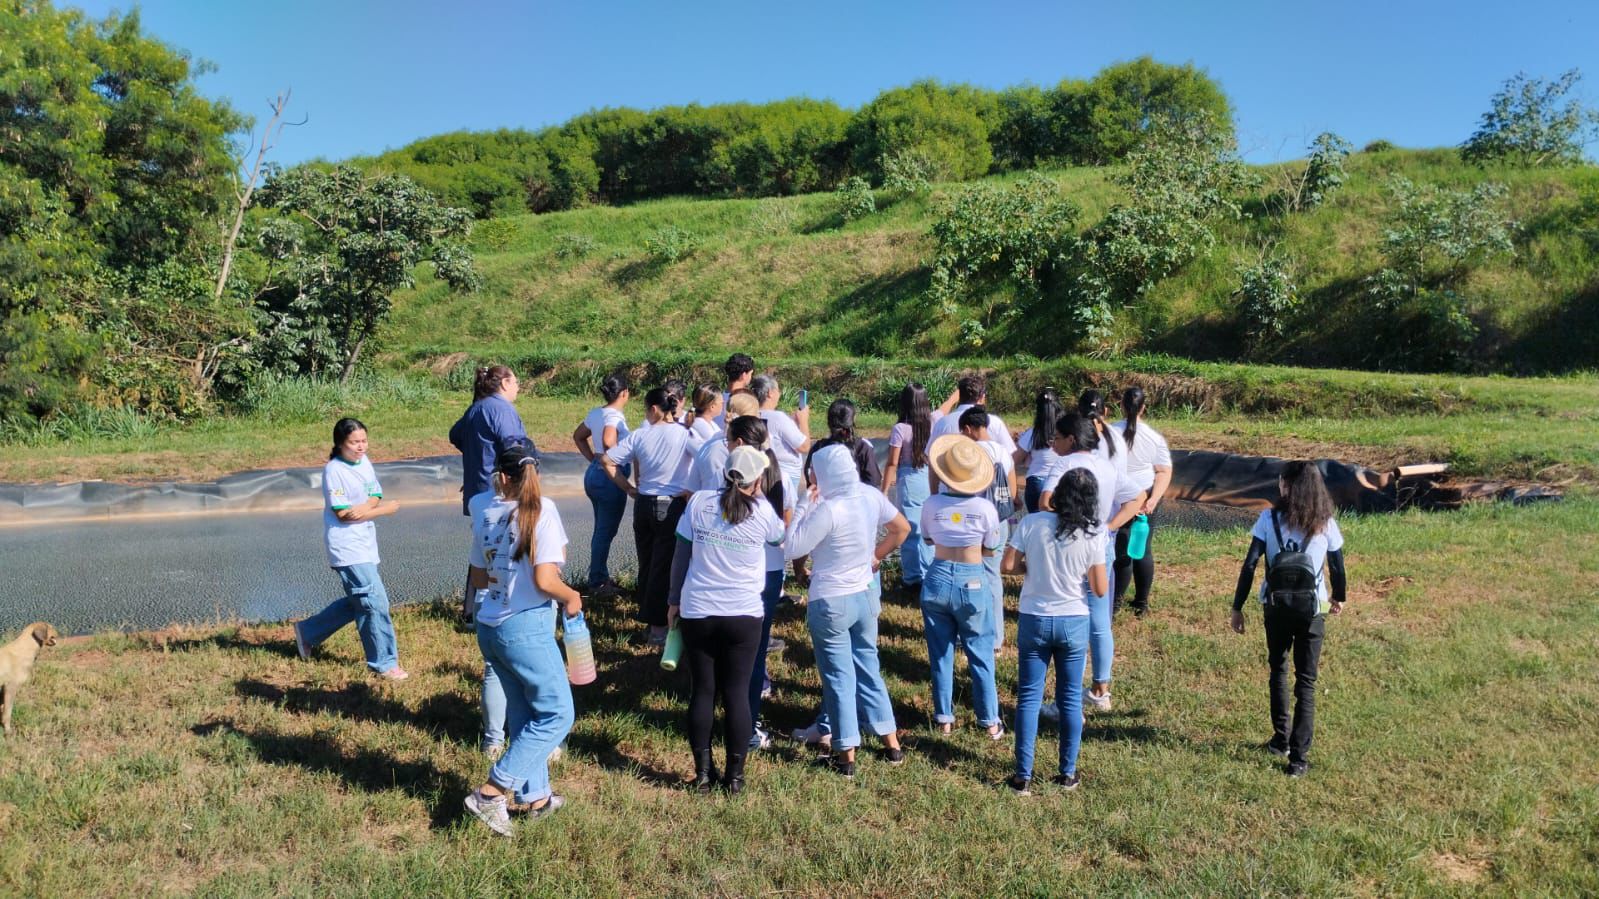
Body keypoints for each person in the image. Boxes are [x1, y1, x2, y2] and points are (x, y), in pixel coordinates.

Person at [463, 444, 581, 836]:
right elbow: (545, 580)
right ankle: (491, 792)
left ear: (501, 476)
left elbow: (478, 578)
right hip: (525, 627)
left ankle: (537, 798)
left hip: (491, 625)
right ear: (535, 473)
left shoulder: (486, 511)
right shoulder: (542, 510)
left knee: (523, 713)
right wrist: (571, 596)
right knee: (558, 714)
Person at [785, 445, 910, 776]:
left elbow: (792, 546)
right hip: (864, 596)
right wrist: (876, 557)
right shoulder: (869, 495)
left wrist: (801, 506)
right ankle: (892, 744)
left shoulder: (828, 508)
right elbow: (902, 529)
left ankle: (846, 755)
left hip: (831, 601)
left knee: (839, 678)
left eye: (813, 471)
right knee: (869, 668)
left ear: (823, 474)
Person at [667, 446, 786, 795]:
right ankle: (735, 777)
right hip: (744, 613)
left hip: (698, 608)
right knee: (736, 693)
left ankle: (704, 774)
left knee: (702, 691)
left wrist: (673, 600)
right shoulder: (763, 511)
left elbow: (681, 553)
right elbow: (780, 537)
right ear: (757, 479)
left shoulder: (700, 502)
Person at [1230, 460, 1347, 778]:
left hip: (1275, 606)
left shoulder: (1269, 518)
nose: (1279, 487)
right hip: (1312, 611)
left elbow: (1250, 564)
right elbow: (1337, 566)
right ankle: (1299, 758)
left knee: (1278, 670)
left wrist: (1237, 606)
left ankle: (1280, 739)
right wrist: (1339, 596)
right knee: (1306, 683)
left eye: (1282, 482)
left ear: (1289, 487)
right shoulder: (1325, 522)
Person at [687, 414, 793, 750]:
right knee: (752, 658)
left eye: (729, 438)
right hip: (766, 575)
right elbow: (784, 529)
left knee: (712, 674)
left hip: (728, 582)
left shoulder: (723, 484)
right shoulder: (780, 479)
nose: (725, 442)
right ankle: (748, 723)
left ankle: (732, 729)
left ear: (741, 445)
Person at [1001, 468, 1107, 793]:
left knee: (1029, 698)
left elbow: (1008, 566)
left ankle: (1022, 776)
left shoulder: (1033, 523)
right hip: (1073, 620)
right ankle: (1067, 773)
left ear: (1058, 493)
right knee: (1070, 700)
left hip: (1034, 616)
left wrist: (1028, 567)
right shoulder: (1094, 533)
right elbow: (1100, 588)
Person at [1037, 412, 1145, 714]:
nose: (1053, 443)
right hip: (1101, 544)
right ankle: (1100, 688)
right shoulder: (1106, 466)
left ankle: (1066, 698)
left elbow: (1044, 502)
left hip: (1068, 548)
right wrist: (1110, 525)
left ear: (1071, 439)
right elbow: (1138, 496)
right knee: (1100, 619)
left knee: (1070, 616)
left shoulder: (1063, 464)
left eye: (1057, 437)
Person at [294, 418, 406, 679]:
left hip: (366, 543)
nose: (360, 447)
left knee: (362, 599)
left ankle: (308, 632)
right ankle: (384, 664)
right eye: (354, 442)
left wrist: (368, 507)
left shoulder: (364, 462)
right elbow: (344, 514)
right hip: (347, 547)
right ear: (340, 443)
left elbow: (374, 493)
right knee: (374, 602)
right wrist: (383, 510)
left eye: (364, 441)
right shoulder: (334, 470)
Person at [601, 387, 705, 644]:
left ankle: (650, 620)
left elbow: (607, 460)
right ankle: (659, 629)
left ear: (655, 409)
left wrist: (627, 487)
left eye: (646, 410)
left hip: (643, 504)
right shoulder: (684, 435)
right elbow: (706, 456)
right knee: (664, 567)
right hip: (670, 505)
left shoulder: (640, 435)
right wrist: (691, 489)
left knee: (647, 564)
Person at [919, 434, 1006, 739]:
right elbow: (990, 549)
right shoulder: (985, 509)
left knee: (940, 652)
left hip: (938, 575)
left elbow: (928, 539)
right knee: (980, 651)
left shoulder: (931, 503)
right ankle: (990, 720)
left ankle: (944, 718)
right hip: (972, 578)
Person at [881, 383, 957, 589]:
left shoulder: (900, 429)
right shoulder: (934, 420)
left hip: (909, 480)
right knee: (929, 528)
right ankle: (931, 574)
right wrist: (957, 391)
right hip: (930, 478)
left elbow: (892, 463)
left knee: (909, 530)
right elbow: (947, 405)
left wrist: (885, 490)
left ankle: (913, 578)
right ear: (925, 402)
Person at [954, 406, 1017, 650]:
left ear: (969, 429)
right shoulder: (1003, 451)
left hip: (973, 521)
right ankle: (996, 639)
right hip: (998, 523)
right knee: (992, 578)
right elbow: (1012, 493)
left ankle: (970, 633)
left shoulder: (969, 452)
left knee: (968, 577)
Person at [1111, 387, 1173, 617]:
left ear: (1121, 405)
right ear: (1143, 408)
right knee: (1142, 549)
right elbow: (1164, 471)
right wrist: (1153, 499)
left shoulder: (1109, 433)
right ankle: (1141, 603)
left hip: (1119, 496)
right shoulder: (1154, 437)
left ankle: (1115, 602)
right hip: (1145, 494)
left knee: (1122, 549)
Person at [572, 374, 631, 598]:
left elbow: (578, 436)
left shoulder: (596, 412)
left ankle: (600, 575)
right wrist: (613, 459)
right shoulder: (614, 415)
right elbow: (608, 440)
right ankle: (597, 582)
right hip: (610, 476)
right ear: (624, 393)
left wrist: (594, 460)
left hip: (594, 473)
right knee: (605, 532)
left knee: (601, 529)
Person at [450, 365, 530, 516]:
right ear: (505, 383)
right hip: (500, 494)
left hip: (477, 492)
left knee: (484, 538)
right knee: (507, 538)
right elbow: (515, 452)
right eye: (516, 382)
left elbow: (455, 435)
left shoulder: (475, 408)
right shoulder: (502, 409)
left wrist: (475, 462)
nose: (518, 388)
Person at [750, 374, 811, 495]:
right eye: (778, 390)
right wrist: (803, 421)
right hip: (784, 475)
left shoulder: (751, 414)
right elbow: (804, 447)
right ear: (770, 393)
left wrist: (793, 423)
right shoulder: (778, 418)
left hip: (759, 473)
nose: (779, 394)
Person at [930, 374, 1016, 456]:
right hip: (987, 470)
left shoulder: (942, 423)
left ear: (959, 396)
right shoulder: (996, 422)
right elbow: (1009, 455)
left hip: (949, 471)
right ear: (982, 397)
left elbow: (930, 454)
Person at [803, 398, 880, 488]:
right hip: (856, 500)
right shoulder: (863, 446)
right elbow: (873, 481)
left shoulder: (818, 448)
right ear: (853, 419)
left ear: (828, 421)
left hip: (825, 500)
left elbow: (810, 480)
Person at [1014, 388, 1064, 514]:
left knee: (1036, 526)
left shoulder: (1033, 433)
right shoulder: (1066, 432)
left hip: (1037, 483)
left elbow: (1013, 461)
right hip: (1061, 482)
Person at [716, 353, 755, 426]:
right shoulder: (746, 402)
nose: (751, 377)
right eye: (750, 374)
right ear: (744, 375)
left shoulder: (716, 399)